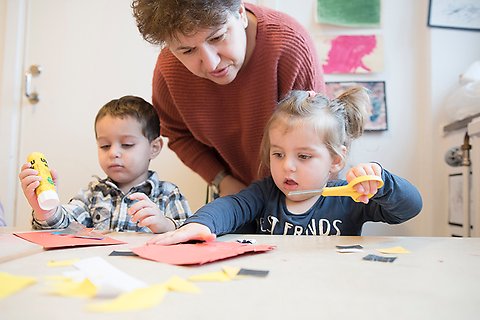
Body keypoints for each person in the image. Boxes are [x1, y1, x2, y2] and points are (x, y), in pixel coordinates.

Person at [147, 87, 423, 244]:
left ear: (335, 160)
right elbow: (230, 206)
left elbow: (410, 208)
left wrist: (381, 183)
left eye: (303, 157)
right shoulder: (264, 194)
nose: (287, 167)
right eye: (278, 155)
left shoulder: (351, 197)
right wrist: (200, 224)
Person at [132, 0, 324, 198]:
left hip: (303, 193)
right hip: (236, 194)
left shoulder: (290, 45)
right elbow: (178, 135)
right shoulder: (169, 70)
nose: (211, 63)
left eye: (217, 37)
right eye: (188, 51)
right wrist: (221, 179)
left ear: (240, 13)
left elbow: (322, 138)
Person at [19, 95, 192, 233]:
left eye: (127, 145)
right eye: (105, 146)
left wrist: (166, 225)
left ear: (154, 148)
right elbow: (63, 227)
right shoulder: (92, 195)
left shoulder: (168, 194)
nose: (113, 153)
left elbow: (191, 233)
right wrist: (46, 211)